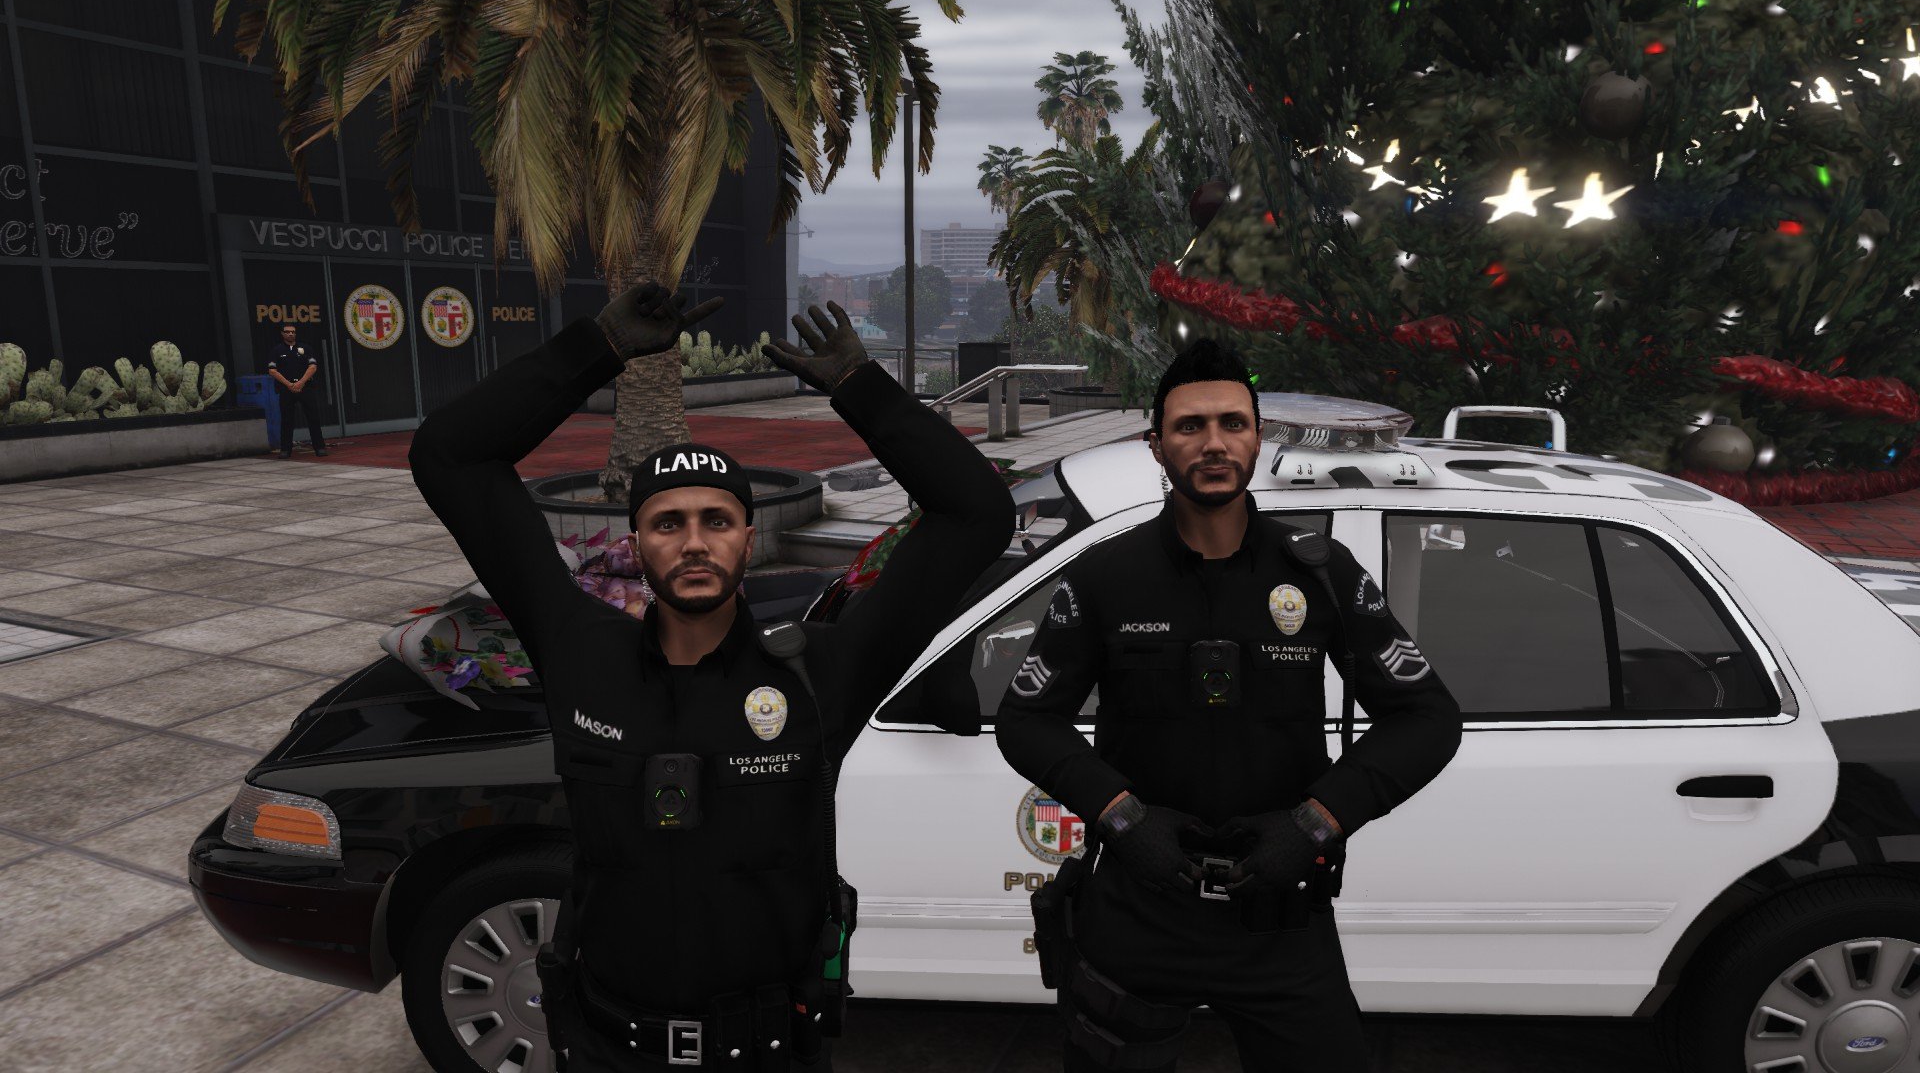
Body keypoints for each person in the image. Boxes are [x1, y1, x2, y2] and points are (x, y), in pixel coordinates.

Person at [409, 282, 1012, 1070]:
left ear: (747, 540)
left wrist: (861, 388)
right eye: (669, 523)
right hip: (606, 1050)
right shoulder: (579, 651)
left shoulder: (821, 671)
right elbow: (448, 457)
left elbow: (976, 514)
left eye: (716, 521)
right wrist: (597, 349)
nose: (694, 543)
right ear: (636, 544)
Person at [995, 339, 1464, 1073]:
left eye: (1232, 423)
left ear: (1257, 437)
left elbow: (1429, 717)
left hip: (1280, 916)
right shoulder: (1105, 576)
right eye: (1189, 426)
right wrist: (1124, 819)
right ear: (1156, 445)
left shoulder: (1320, 572)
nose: (1213, 443)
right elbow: (1025, 718)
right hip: (1138, 915)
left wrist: (1315, 823)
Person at [263, 323, 328, 457]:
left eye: (293, 332)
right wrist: (289, 384)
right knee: (287, 420)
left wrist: (301, 383)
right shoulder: (277, 350)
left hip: (306, 388)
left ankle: (319, 447)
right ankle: (285, 450)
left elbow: (313, 367)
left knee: (313, 418)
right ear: (282, 333)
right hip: (286, 389)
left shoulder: (306, 348)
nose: (291, 334)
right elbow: (272, 371)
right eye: (287, 332)